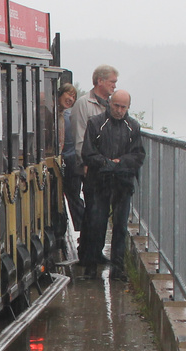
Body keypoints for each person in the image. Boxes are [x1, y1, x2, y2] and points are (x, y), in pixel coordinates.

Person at [79, 89, 144, 281]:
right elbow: (88, 153)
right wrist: (108, 163)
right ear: (110, 104)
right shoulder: (96, 123)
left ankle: (118, 269)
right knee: (96, 224)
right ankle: (90, 268)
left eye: (123, 107)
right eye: (116, 105)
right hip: (99, 182)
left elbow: (138, 155)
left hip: (123, 183)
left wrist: (119, 163)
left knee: (120, 226)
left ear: (128, 108)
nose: (119, 110)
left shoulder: (133, 126)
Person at [70, 65, 118, 259]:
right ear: (100, 81)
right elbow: (79, 136)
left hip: (107, 168)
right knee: (92, 211)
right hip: (90, 168)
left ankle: (95, 251)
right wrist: (87, 162)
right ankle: (87, 253)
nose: (114, 86)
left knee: (102, 212)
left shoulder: (111, 105)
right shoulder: (84, 104)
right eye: (112, 82)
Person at [55, 83, 85, 237]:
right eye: (69, 94)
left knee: (73, 196)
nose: (71, 99)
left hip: (70, 160)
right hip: (58, 161)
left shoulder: (70, 116)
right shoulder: (53, 114)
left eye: (74, 96)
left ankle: (82, 229)